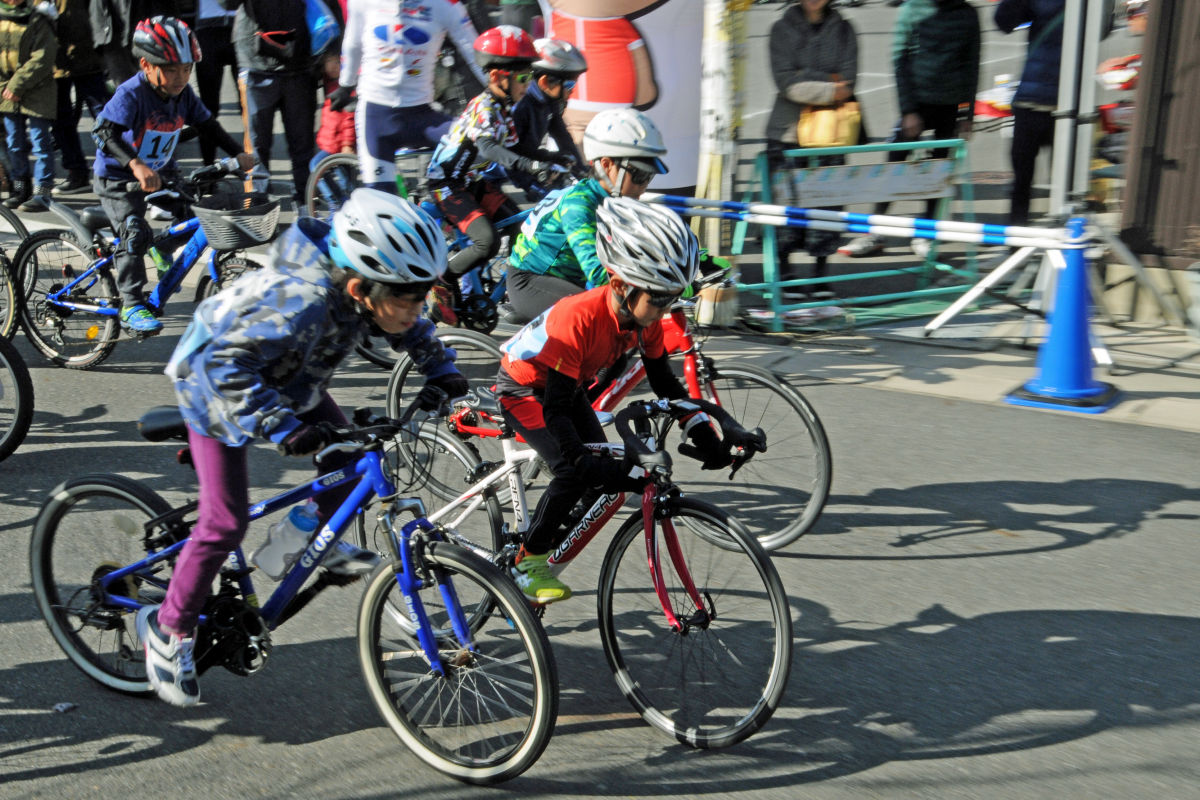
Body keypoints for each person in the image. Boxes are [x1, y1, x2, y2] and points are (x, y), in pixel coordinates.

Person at [141, 190, 472, 707]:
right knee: (224, 523)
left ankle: (293, 542)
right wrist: (279, 425)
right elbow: (222, 367)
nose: (416, 309)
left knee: (351, 469)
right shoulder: (302, 303)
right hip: (217, 382)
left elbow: (408, 327)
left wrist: (440, 366)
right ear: (361, 288)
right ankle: (169, 631)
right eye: (408, 299)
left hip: (292, 376)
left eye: (420, 295)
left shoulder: (362, 289)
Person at [497, 197, 738, 604]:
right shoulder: (578, 318)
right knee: (573, 471)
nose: (667, 309)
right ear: (621, 286)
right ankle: (526, 560)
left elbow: (667, 385)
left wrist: (705, 434)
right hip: (525, 388)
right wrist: (577, 459)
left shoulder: (644, 318)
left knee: (601, 472)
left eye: (673, 298)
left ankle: (551, 532)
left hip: (568, 386)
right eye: (659, 299)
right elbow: (555, 409)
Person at [91, 16, 255, 334]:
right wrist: (136, 166)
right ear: (147, 65)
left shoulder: (183, 95)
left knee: (190, 217)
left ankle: (160, 247)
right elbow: (104, 133)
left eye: (186, 68)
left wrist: (237, 152)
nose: (180, 77)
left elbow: (208, 125)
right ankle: (131, 304)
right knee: (134, 231)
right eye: (170, 69)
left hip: (162, 171)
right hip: (118, 176)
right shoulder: (132, 93)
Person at [425, 25, 569, 325]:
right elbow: (489, 148)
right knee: (487, 241)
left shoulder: (505, 108)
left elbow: (520, 148)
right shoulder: (484, 106)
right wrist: (528, 167)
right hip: (447, 184)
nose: (526, 85)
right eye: (521, 78)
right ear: (496, 77)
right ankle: (441, 282)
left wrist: (557, 158)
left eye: (529, 77)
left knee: (523, 228)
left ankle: (512, 294)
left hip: (471, 182)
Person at [839, 0, 979, 260]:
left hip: (950, 104)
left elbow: (971, 65)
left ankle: (926, 232)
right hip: (917, 103)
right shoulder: (911, 9)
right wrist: (908, 110)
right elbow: (899, 59)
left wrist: (967, 114)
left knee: (939, 171)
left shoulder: (967, 14)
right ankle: (874, 231)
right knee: (894, 164)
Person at [504, 107, 668, 324]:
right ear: (607, 165)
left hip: (569, 280)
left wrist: (696, 263)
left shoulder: (619, 200)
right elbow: (596, 270)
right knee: (602, 318)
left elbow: (656, 243)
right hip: (531, 282)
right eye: (639, 174)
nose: (644, 186)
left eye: (650, 177)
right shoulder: (579, 204)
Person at [330, 0, 488, 194]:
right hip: (376, 118)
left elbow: (475, 54)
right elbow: (353, 45)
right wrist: (345, 86)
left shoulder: (445, 5)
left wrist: (502, 92)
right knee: (383, 200)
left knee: (480, 142)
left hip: (422, 117)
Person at [765, 0, 861, 299]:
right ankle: (786, 271)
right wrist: (832, 87)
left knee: (828, 204)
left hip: (831, 132)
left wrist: (807, 77)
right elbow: (787, 83)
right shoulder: (780, 29)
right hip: (788, 132)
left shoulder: (845, 29)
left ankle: (821, 275)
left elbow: (850, 79)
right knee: (785, 205)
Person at [221, 0, 321, 205]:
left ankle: (306, 206)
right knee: (257, 147)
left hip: (301, 62)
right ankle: (257, 208)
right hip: (256, 61)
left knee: (303, 146)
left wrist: (332, 51)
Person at [994, 0, 1063, 227]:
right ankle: (1015, 246)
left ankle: (1062, 248)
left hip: (1067, 107)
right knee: (1021, 183)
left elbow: (1103, 27)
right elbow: (1003, 22)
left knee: (1064, 187)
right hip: (1031, 101)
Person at [508, 36, 588, 200]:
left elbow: (563, 138)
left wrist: (582, 173)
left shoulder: (548, 101)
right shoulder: (520, 108)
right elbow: (507, 153)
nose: (572, 91)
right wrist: (531, 184)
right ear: (545, 82)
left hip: (528, 168)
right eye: (569, 85)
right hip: (500, 172)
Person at [0, 0, 57, 212]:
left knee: (40, 142)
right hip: (6, 90)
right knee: (15, 143)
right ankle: (19, 189)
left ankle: (43, 192)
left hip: (37, 90)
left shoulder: (38, 18)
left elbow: (43, 57)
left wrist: (17, 85)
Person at [52, 0, 112, 195]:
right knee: (61, 120)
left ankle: (118, 168)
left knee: (106, 119)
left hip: (88, 56)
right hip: (57, 61)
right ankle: (76, 173)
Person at [191, 0, 238, 166]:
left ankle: (255, 173)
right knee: (208, 109)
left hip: (241, 26)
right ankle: (208, 170)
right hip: (207, 29)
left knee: (251, 110)